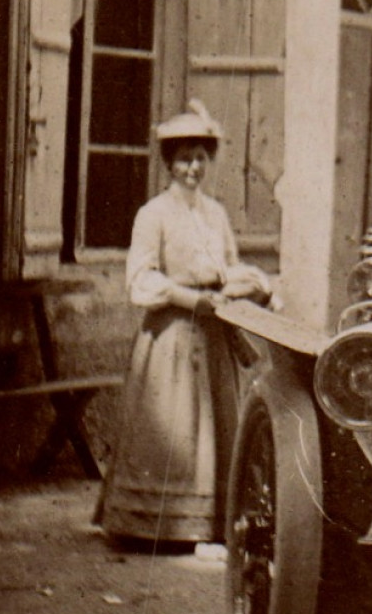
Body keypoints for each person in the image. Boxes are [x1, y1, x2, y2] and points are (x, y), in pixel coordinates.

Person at [99, 101, 273, 549]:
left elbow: (226, 267)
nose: (192, 168)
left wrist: (251, 284)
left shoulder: (214, 213)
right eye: (183, 159)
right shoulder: (152, 214)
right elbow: (142, 277)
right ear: (169, 163)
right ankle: (150, 523)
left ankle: (210, 523)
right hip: (171, 337)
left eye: (200, 158)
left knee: (212, 429)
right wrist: (190, 298)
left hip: (212, 335)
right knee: (171, 427)